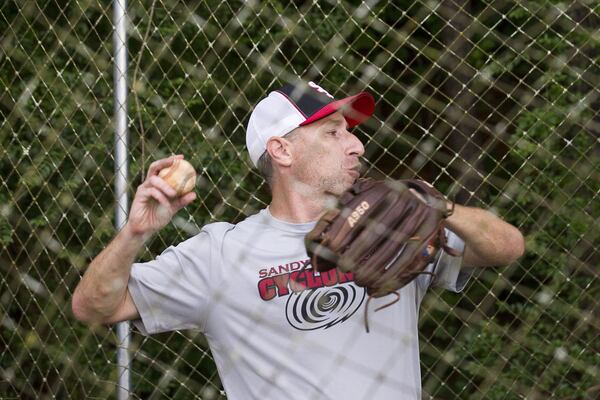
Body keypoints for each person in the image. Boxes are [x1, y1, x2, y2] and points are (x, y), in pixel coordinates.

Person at [72, 80, 525, 399]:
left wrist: (439, 208)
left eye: (350, 132)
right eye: (332, 133)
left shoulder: (392, 224)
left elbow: (507, 248)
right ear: (282, 150)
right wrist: (134, 234)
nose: (356, 146)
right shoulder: (221, 254)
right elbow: (93, 307)